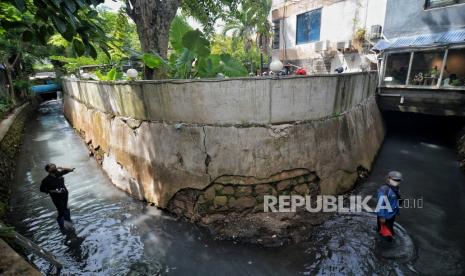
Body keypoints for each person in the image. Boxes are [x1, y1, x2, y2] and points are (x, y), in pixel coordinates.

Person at [40, 163, 75, 230]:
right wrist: (52, 191)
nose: (54, 166)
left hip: (64, 194)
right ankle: (64, 226)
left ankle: (67, 223)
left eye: (54, 166)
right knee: (61, 210)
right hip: (56, 197)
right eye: (52, 166)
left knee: (64, 208)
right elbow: (42, 189)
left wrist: (62, 168)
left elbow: (71, 170)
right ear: (49, 170)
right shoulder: (46, 180)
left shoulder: (58, 173)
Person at [376, 171, 402, 240]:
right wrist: (381, 217)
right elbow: (380, 204)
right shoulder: (384, 190)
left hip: (392, 215)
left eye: (398, 180)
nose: (397, 181)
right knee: (387, 238)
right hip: (385, 216)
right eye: (395, 180)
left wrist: (397, 211)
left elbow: (395, 200)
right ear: (389, 178)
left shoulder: (396, 188)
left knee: (391, 233)